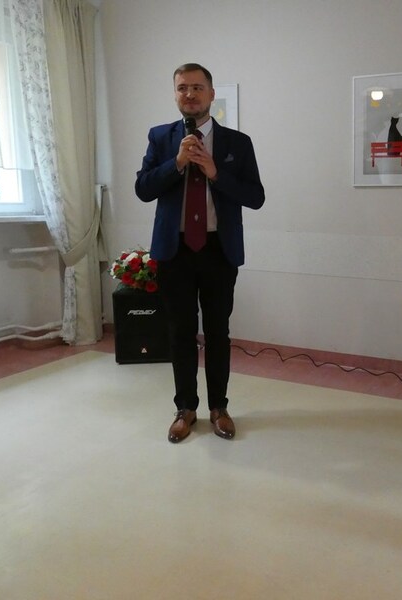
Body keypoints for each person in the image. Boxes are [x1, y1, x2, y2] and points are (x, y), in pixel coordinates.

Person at [135, 63, 265, 443]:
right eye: (182, 88)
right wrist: (176, 163)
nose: (189, 94)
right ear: (175, 94)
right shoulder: (160, 138)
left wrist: (215, 173)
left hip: (218, 251)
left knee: (218, 332)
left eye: (196, 87)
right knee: (180, 332)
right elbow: (143, 189)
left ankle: (219, 408)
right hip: (174, 251)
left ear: (211, 94)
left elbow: (255, 197)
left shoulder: (238, 143)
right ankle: (186, 409)